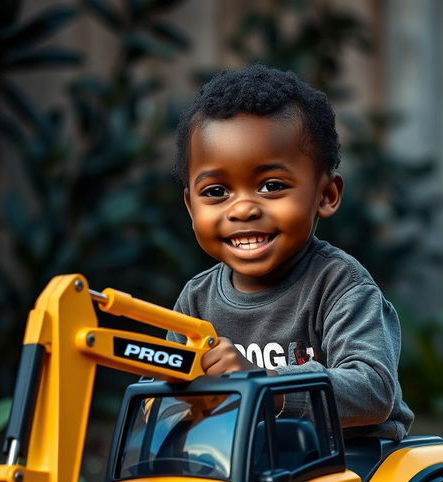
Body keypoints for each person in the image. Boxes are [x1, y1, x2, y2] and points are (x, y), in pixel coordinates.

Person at [168, 64, 413, 440]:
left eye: (271, 185)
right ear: (190, 206)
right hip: (250, 462)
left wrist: (264, 383)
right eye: (216, 192)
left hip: (350, 460)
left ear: (325, 195)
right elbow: (163, 392)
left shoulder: (340, 286)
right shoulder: (195, 301)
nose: (243, 209)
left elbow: (373, 389)